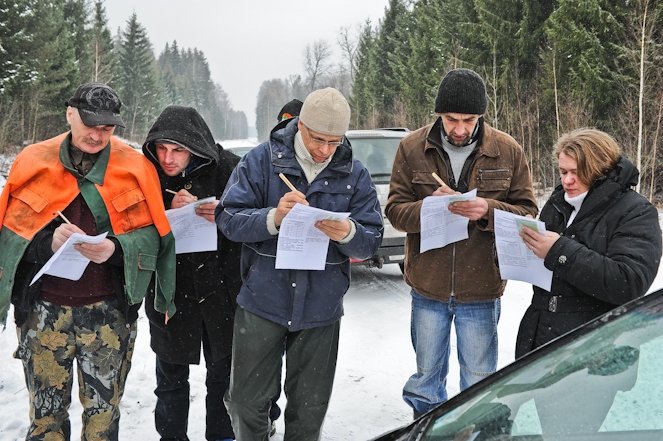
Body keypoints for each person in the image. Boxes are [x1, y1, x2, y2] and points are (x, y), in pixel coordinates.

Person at [0, 82, 176, 440]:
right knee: (46, 419)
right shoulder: (33, 161)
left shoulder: (136, 168)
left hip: (108, 315)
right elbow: (9, 235)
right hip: (43, 313)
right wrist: (47, 243)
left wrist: (117, 248)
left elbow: (154, 235)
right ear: (69, 114)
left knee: (103, 420)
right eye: (90, 125)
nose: (97, 136)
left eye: (107, 128)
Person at [218, 87, 383, 441]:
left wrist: (347, 232)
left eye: (334, 141)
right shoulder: (261, 161)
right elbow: (228, 218)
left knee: (308, 412)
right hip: (263, 301)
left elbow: (371, 240)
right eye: (317, 138)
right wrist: (273, 217)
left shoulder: (354, 174)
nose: (324, 149)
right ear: (300, 125)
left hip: (320, 308)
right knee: (246, 403)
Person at [385, 68, 538, 417]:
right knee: (427, 378)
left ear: (481, 116)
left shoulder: (507, 150)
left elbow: (528, 212)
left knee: (480, 379)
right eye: (451, 119)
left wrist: (487, 209)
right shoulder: (411, 148)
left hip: (481, 287)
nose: (459, 128)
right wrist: (429, 208)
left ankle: (475, 430)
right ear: (438, 114)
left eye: (468, 120)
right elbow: (394, 212)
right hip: (428, 286)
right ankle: (426, 426)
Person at [142, 105, 242, 441]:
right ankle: (171, 437)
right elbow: (134, 230)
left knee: (223, 376)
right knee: (170, 377)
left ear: (195, 148)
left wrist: (224, 216)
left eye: (178, 150)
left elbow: (252, 222)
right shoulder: (148, 175)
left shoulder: (229, 169)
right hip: (171, 292)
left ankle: (222, 436)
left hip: (222, 291)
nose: (168, 158)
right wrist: (164, 211)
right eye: (162, 149)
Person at [516, 128, 662, 357]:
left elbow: (629, 282)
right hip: (542, 336)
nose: (567, 180)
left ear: (599, 169)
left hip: (597, 344)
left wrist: (558, 250)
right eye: (563, 171)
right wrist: (520, 242)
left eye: (577, 172)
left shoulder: (636, 211)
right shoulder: (557, 202)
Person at [268, 97, 303, 437]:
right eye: (284, 124)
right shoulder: (265, 165)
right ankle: (270, 410)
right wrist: (274, 216)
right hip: (270, 284)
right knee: (268, 360)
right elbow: (237, 218)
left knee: (301, 368)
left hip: (308, 288)